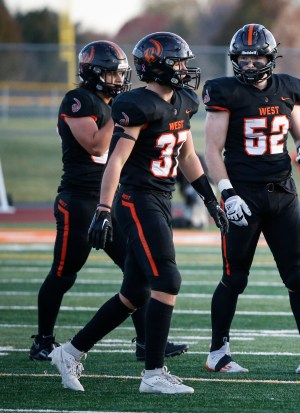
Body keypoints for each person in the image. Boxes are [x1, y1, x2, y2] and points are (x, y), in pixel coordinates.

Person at [49, 32, 228, 394]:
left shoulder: (183, 101)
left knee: (135, 292)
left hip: (161, 199)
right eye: (177, 62)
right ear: (158, 66)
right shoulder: (136, 105)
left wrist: (210, 199)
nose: (184, 69)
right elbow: (115, 161)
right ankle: (153, 373)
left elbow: (187, 156)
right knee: (168, 279)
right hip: (137, 199)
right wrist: (103, 209)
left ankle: (69, 352)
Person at [28, 40, 188, 363]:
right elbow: (97, 146)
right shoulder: (78, 100)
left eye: (122, 74)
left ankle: (147, 343)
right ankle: (43, 341)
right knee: (63, 273)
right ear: (95, 74)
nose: (119, 81)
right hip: (80, 199)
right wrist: (125, 114)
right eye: (113, 75)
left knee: (139, 271)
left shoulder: (119, 102)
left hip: (111, 200)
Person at [202, 23, 300, 375]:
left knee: (297, 275)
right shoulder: (225, 92)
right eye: (244, 57)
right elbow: (211, 150)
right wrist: (227, 193)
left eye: (257, 57)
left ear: (270, 58)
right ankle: (218, 352)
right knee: (235, 277)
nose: (250, 64)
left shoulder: (287, 89)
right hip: (243, 193)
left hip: (282, 194)